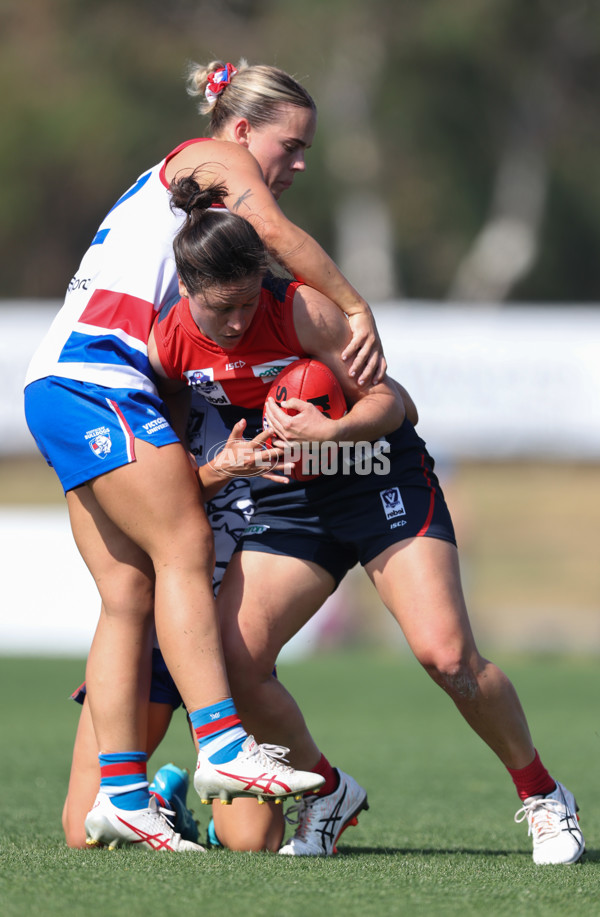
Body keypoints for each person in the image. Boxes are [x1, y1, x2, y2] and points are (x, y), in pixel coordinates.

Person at [147, 175, 585, 866]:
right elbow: (169, 471)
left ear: (263, 277)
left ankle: (544, 795)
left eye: (245, 302)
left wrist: (336, 428)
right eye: (218, 308)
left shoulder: (301, 312)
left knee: (449, 657)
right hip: (290, 502)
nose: (234, 322)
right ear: (185, 284)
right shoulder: (168, 344)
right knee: (234, 662)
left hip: (376, 475)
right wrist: (223, 466)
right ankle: (327, 792)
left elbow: (397, 403)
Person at [28, 54, 402, 852]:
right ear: (238, 131)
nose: (296, 164)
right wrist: (356, 303)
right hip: (92, 375)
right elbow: (267, 228)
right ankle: (222, 740)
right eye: (289, 145)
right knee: (183, 545)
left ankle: (132, 790)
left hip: (73, 387)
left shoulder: (217, 312)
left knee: (130, 589)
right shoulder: (209, 164)